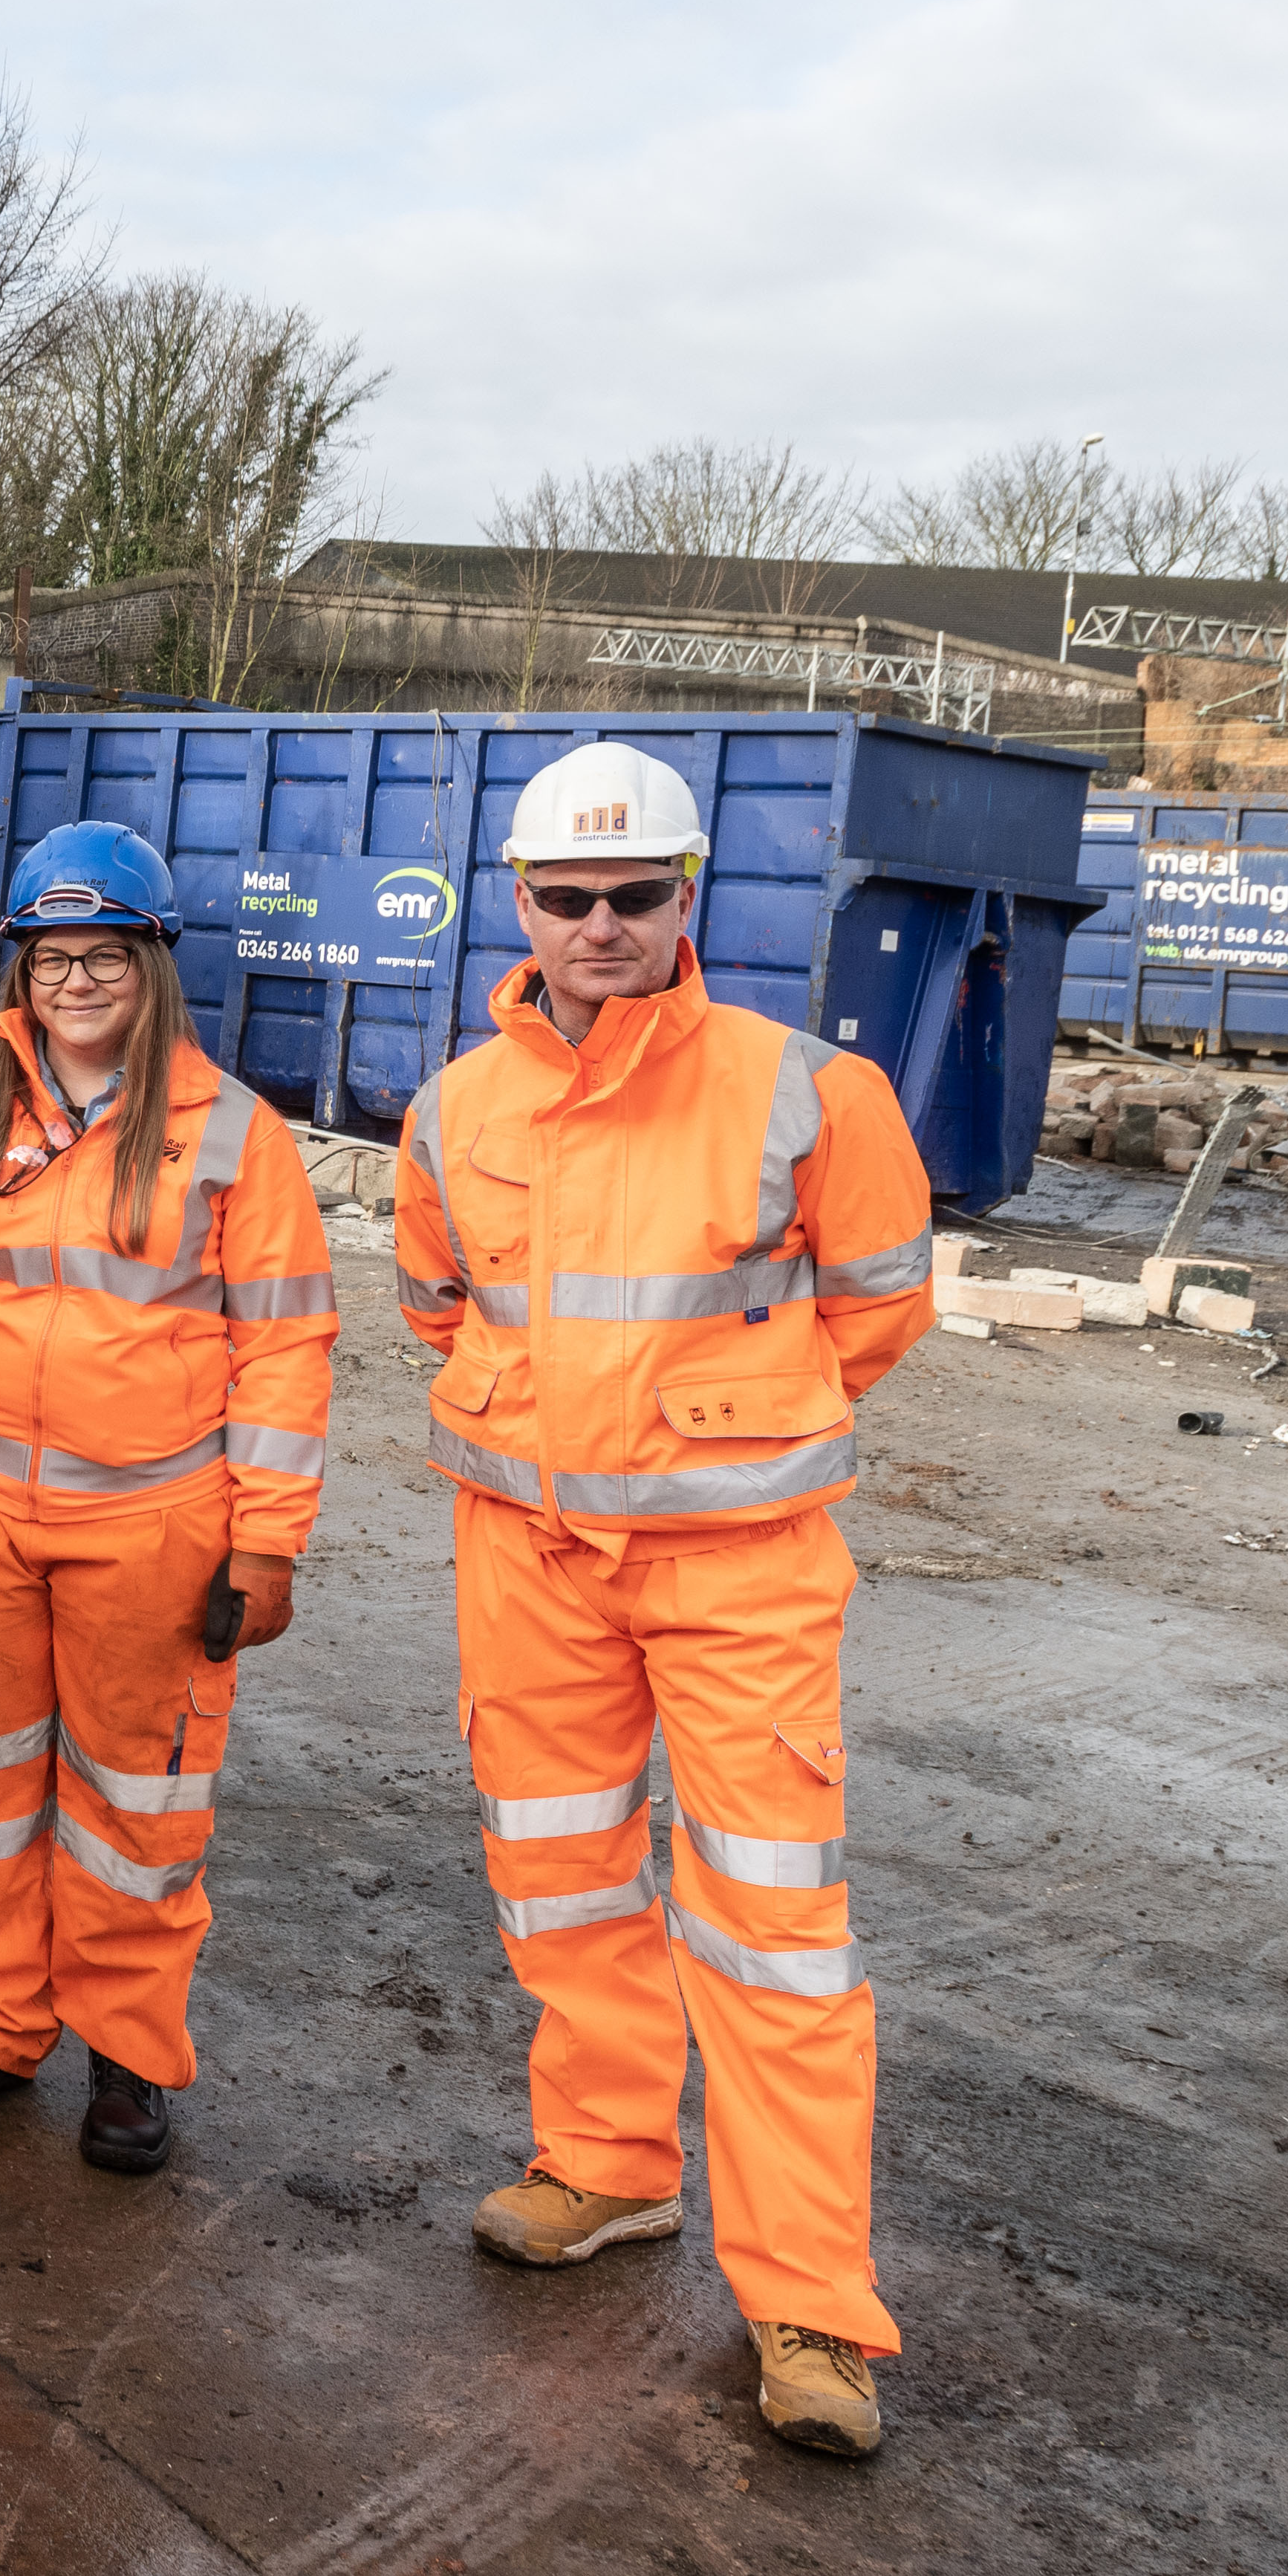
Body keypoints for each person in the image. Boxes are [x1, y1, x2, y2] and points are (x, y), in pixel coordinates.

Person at [389, 740, 939, 2461]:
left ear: (688, 897)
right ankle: (609, 2166)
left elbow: (874, 1301)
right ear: (520, 905)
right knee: (557, 1877)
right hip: (526, 1553)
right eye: (569, 898)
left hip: (736, 1568)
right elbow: (437, 1301)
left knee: (772, 1928)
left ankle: (806, 2305)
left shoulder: (803, 1089)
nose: (603, 924)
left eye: (638, 896)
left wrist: (707, 1435)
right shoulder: (456, 1105)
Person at [0, 823, 335, 2173]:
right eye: (56, 960)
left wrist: (267, 1541)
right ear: (23, 972)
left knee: (135, 1806)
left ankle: (125, 2050)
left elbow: (283, 1350)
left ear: (154, 968)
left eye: (108, 957)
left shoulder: (236, 1139)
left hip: (152, 1528)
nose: (80, 984)